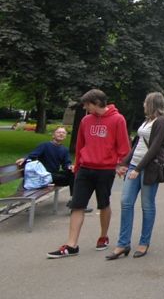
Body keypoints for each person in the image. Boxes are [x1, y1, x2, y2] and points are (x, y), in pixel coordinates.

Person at [47, 89, 130, 258]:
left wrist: (122, 164)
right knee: (77, 205)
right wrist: (77, 166)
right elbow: (80, 145)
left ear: (97, 103)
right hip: (85, 169)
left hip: (105, 170)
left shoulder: (117, 119)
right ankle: (71, 245)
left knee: (103, 204)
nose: (85, 108)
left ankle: (103, 236)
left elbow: (123, 145)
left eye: (87, 104)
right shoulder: (86, 120)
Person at [106, 92, 164, 260]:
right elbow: (138, 144)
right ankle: (123, 244)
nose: (143, 105)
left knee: (147, 205)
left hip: (149, 168)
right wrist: (124, 163)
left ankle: (144, 242)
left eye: (145, 102)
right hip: (135, 165)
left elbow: (154, 148)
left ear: (152, 103)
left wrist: (138, 169)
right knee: (126, 202)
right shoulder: (147, 121)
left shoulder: (161, 122)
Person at [15, 126, 92, 211]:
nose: (61, 134)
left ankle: (74, 201)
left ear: (65, 136)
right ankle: (76, 204)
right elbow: (33, 155)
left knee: (74, 173)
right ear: (53, 135)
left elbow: (66, 165)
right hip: (43, 176)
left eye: (63, 133)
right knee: (72, 176)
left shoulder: (64, 150)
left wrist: (70, 167)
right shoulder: (45, 146)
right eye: (59, 132)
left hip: (53, 176)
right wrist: (25, 159)